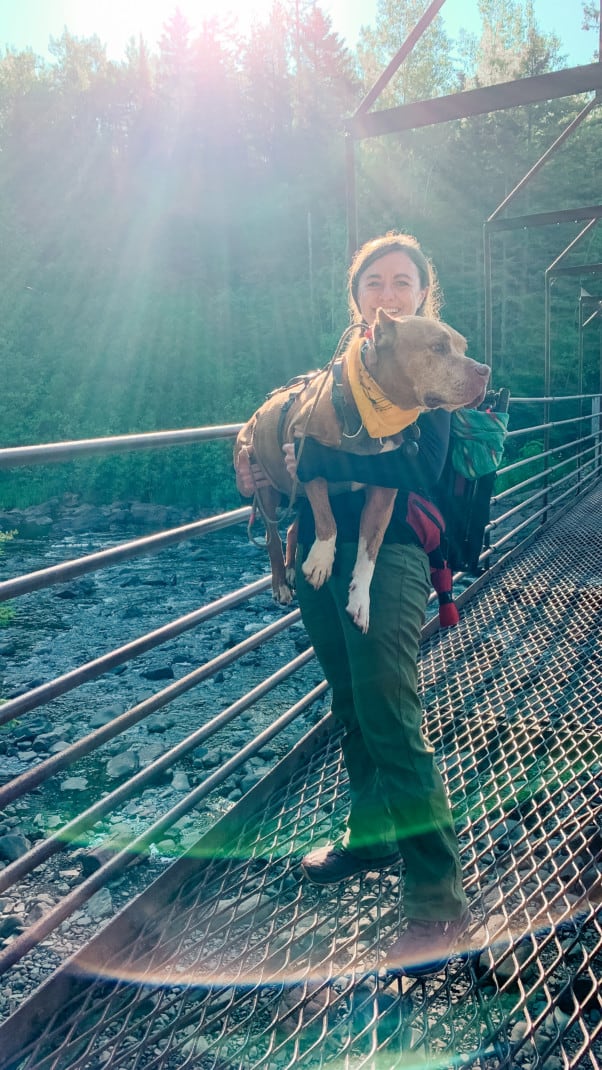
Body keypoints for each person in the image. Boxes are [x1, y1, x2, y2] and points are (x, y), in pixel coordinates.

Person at [290, 232, 472, 978]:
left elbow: (417, 467)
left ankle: (438, 905)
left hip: (391, 555)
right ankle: (369, 837)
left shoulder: (433, 363)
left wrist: (325, 459)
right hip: (318, 553)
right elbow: (298, 455)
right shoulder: (337, 374)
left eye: (402, 281)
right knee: (349, 702)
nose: (388, 293)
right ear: (355, 297)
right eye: (374, 282)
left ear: (423, 296)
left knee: (391, 712)